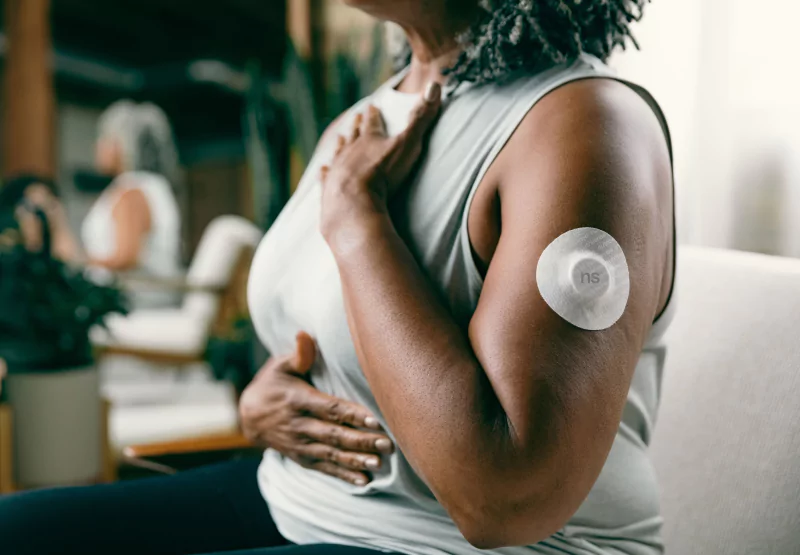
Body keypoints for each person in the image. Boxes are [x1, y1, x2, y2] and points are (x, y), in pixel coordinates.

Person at [0, 1, 675, 555]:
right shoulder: (373, 114)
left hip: (447, 543)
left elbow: (503, 498)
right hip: (297, 498)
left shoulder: (584, 122)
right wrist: (261, 402)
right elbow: (319, 334)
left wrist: (358, 223)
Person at [80, 100, 182, 308]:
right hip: (152, 300)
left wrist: (79, 262)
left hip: (130, 305)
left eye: (103, 139)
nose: (97, 147)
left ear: (120, 144)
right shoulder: (154, 187)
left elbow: (127, 256)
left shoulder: (132, 191)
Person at [0, 175, 81, 262]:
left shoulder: (51, 232)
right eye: (29, 207)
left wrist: (57, 221)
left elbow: (69, 260)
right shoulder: (8, 229)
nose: (38, 217)